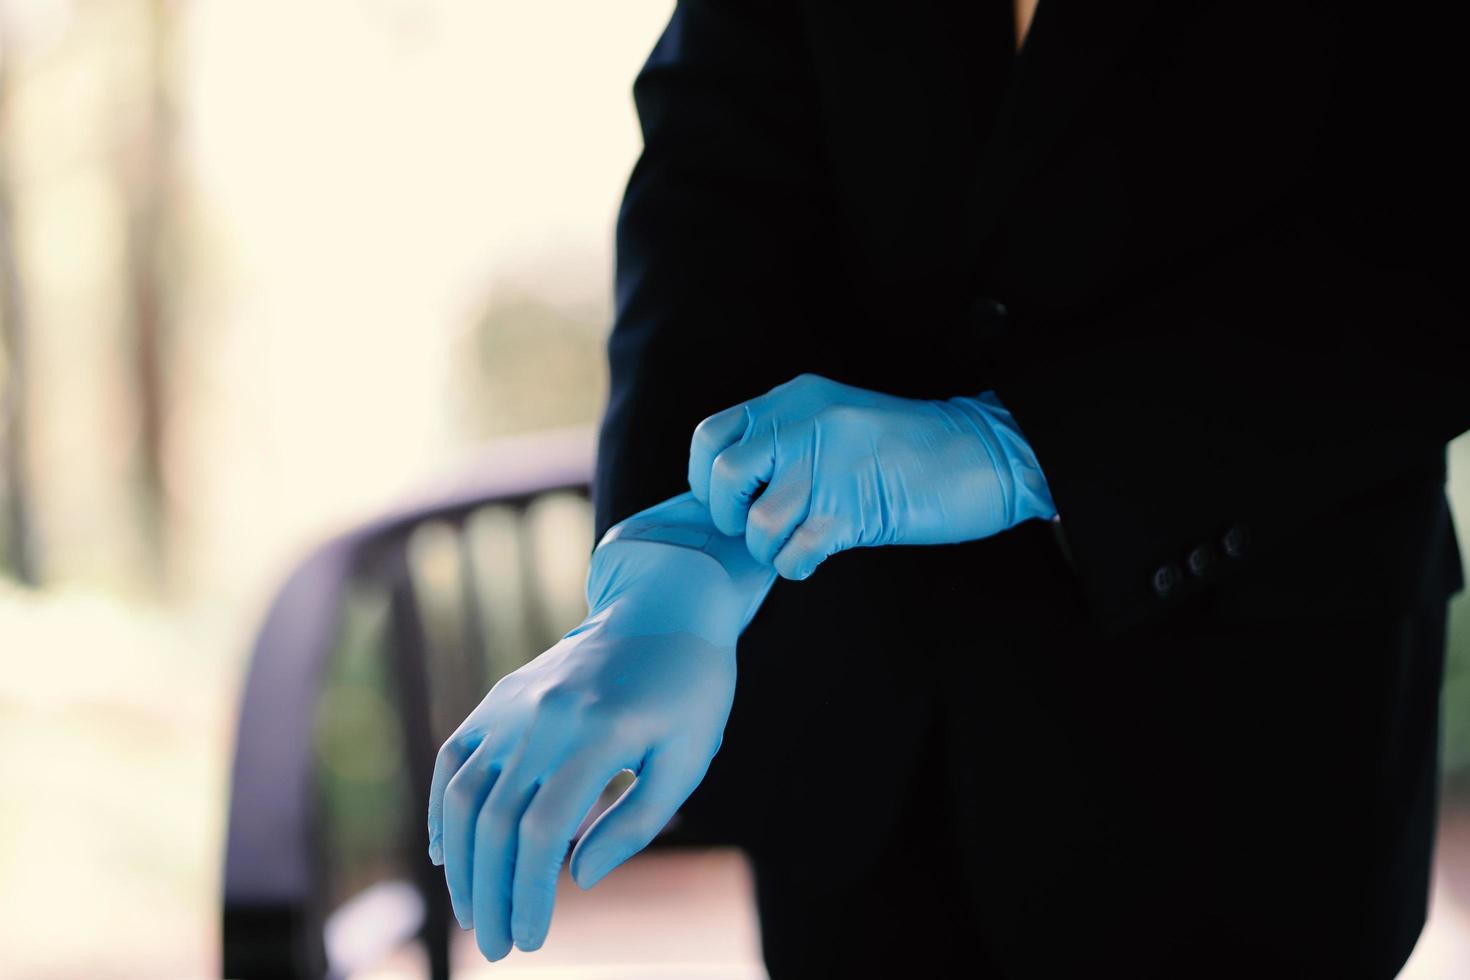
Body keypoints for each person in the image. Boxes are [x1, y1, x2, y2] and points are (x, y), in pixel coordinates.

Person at [427, 0, 1469, 975]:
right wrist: (675, 556)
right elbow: (716, 181)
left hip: (1254, 737)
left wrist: (1034, 444)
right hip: (863, 741)